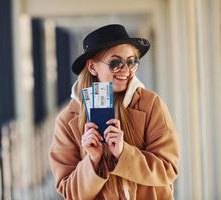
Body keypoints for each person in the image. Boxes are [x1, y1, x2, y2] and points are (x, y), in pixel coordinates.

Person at [49, 24, 179, 200]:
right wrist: (93, 161)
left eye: (132, 62)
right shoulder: (67, 121)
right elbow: (70, 193)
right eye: (116, 63)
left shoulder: (150, 105)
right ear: (92, 67)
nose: (126, 70)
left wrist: (124, 153)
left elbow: (168, 169)